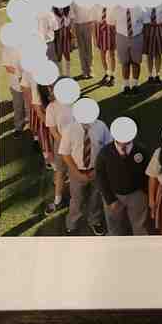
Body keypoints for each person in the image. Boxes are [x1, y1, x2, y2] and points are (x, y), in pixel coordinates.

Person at [58, 116, 113, 235]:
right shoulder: (70, 129)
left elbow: (108, 148)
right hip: (76, 171)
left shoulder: (101, 126)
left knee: (96, 197)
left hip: (96, 171)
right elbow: (65, 153)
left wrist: (97, 169)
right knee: (77, 199)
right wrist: (77, 173)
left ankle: (95, 220)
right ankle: (72, 223)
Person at [95, 126, 150, 236]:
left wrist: (145, 194)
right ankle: (117, 244)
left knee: (140, 225)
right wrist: (110, 199)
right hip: (114, 195)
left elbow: (148, 173)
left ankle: (141, 244)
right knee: (115, 227)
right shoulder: (105, 153)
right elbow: (101, 178)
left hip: (137, 195)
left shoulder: (141, 150)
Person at [44, 80, 74, 215]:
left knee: (76, 171)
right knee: (60, 172)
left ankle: (77, 197)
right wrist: (65, 145)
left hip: (77, 143)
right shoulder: (51, 107)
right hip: (61, 144)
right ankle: (58, 201)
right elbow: (53, 131)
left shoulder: (76, 104)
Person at [110, 4, 144, 95]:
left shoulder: (139, 7)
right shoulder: (116, 8)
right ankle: (126, 86)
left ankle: (135, 85)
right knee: (125, 62)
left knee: (136, 62)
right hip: (121, 37)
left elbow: (145, 23)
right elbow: (111, 24)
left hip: (137, 37)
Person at [21, 71, 54, 165]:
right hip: (39, 109)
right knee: (43, 133)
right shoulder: (32, 75)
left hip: (49, 109)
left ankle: (50, 154)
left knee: (49, 134)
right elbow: (25, 88)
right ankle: (48, 158)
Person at [0, 44, 26, 139]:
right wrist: (20, 75)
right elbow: (8, 67)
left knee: (32, 106)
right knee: (18, 107)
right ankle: (18, 127)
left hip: (30, 81)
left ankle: (36, 133)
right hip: (16, 84)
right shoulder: (7, 46)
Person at [143, 1, 162, 84]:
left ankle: (157, 75)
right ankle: (150, 75)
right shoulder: (144, 3)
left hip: (159, 28)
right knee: (149, 54)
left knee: (158, 54)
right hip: (148, 29)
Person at [70, 2, 97, 80]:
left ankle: (90, 71)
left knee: (89, 49)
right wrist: (72, 29)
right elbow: (72, 15)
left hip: (88, 24)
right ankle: (84, 72)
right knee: (81, 50)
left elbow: (93, 12)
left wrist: (93, 25)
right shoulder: (73, 1)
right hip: (77, 26)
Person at [95, 4, 117, 86]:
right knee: (102, 55)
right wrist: (95, 37)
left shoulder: (113, 6)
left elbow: (116, 22)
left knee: (112, 54)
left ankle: (113, 76)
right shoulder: (98, 7)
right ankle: (106, 74)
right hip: (101, 32)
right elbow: (95, 22)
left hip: (111, 31)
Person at [52, 6, 74, 77]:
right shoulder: (53, 9)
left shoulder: (68, 8)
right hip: (57, 33)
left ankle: (68, 73)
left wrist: (70, 28)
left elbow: (72, 18)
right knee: (58, 54)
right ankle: (60, 74)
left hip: (66, 31)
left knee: (67, 53)